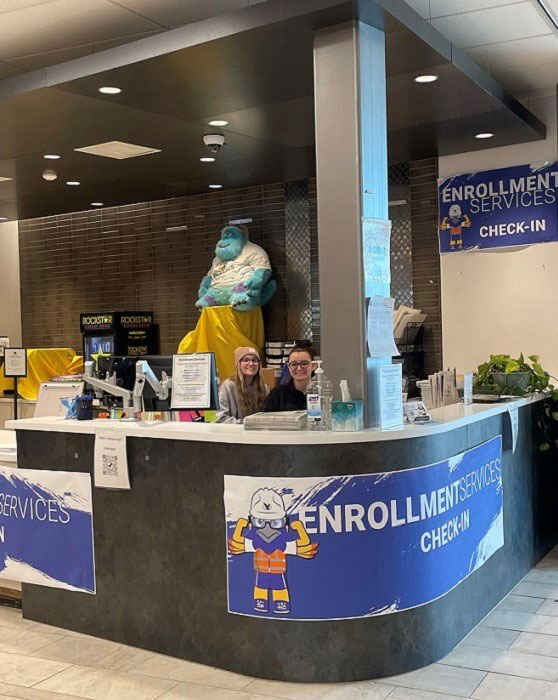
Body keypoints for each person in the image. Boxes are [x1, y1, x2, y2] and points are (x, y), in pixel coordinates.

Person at [217, 347, 269, 423]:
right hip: (233, 433)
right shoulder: (228, 386)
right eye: (246, 360)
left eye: (254, 360)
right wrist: (246, 424)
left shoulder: (264, 388)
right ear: (239, 364)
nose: (251, 363)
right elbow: (220, 418)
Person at [262, 345, 316, 412]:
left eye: (304, 364)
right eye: (294, 364)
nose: (299, 368)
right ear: (288, 367)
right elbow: (264, 418)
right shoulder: (278, 393)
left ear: (314, 365)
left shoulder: (322, 391)